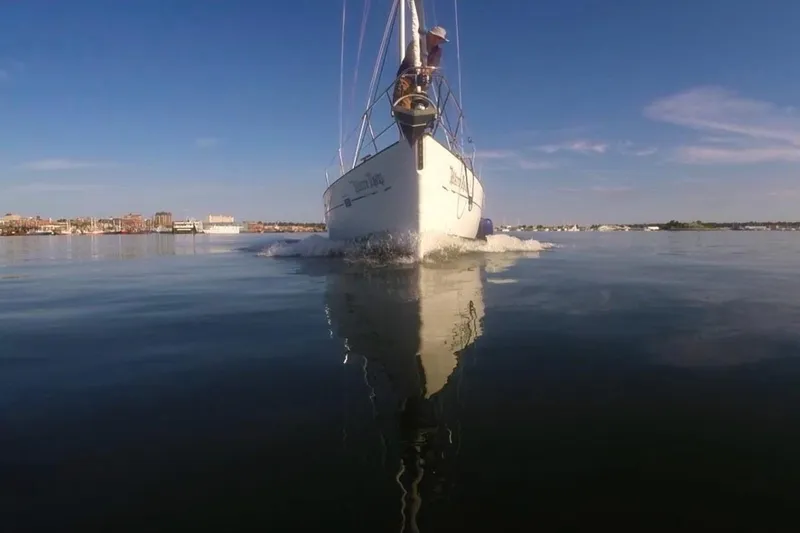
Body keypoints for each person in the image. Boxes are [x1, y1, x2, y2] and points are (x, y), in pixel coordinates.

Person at [392, 26, 449, 110]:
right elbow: (410, 59)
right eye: (436, 37)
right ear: (430, 35)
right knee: (404, 108)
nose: (437, 40)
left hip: (420, 84)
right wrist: (419, 71)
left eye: (439, 39)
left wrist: (427, 72)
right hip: (406, 79)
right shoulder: (416, 44)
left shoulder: (437, 51)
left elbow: (434, 65)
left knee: (419, 110)